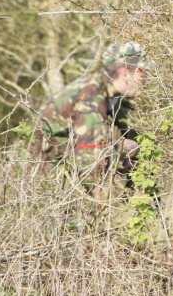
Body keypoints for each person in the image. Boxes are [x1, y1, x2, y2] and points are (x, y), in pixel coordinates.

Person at [28, 42, 151, 187]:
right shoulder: (91, 97)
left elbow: (131, 137)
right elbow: (88, 161)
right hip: (45, 180)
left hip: (61, 174)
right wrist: (122, 151)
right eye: (143, 74)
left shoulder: (113, 96)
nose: (145, 81)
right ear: (125, 73)